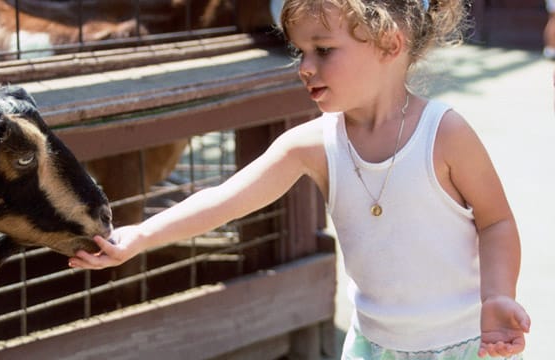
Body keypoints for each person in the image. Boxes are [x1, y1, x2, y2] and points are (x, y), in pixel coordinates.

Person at [69, 0, 531, 358]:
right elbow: (228, 199)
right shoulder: (312, 144)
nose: (305, 67)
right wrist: (140, 235)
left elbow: (495, 222)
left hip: (466, 344)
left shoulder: (444, 133)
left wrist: (497, 295)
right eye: (301, 51)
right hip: (373, 348)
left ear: (390, 45)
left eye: (324, 50)